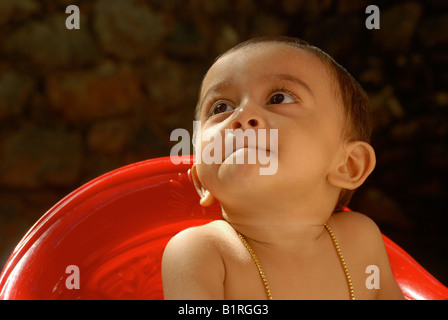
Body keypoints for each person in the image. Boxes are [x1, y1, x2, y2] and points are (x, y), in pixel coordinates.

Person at [162, 36, 404, 300]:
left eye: (279, 98)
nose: (242, 116)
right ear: (201, 182)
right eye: (221, 107)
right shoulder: (201, 254)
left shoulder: (361, 240)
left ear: (348, 165)